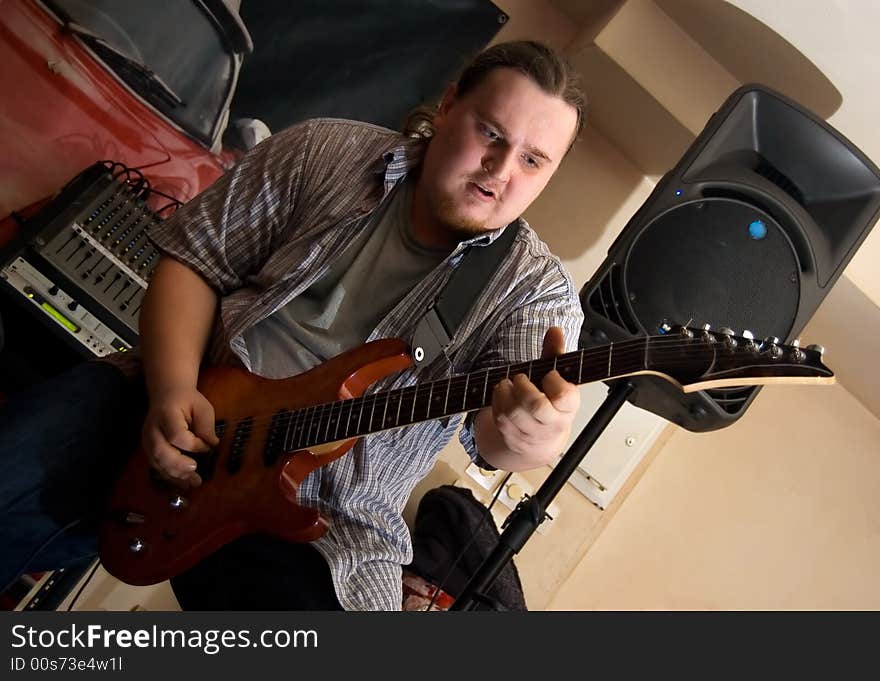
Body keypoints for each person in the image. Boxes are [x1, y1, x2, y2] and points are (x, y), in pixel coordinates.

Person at [0, 40, 587, 610]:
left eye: (533, 160)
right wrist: (171, 389)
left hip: (333, 521)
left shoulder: (533, 293)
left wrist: (532, 434)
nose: (501, 169)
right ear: (449, 105)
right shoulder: (324, 150)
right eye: (490, 133)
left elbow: (497, 441)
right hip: (180, 399)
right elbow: (196, 261)